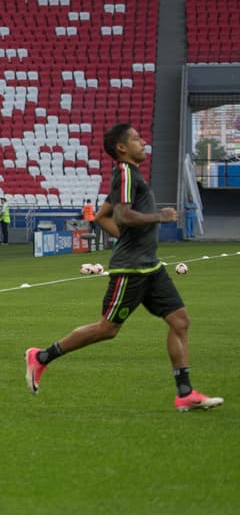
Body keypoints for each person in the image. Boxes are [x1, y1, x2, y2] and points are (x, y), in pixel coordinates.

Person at [25, 124, 223, 411]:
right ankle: (41, 357)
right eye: (136, 139)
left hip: (150, 267)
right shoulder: (126, 172)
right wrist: (160, 217)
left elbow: (103, 215)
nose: (143, 142)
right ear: (121, 148)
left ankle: (185, 394)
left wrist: (127, 236)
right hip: (131, 270)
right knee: (107, 329)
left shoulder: (130, 175)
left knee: (180, 321)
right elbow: (122, 214)